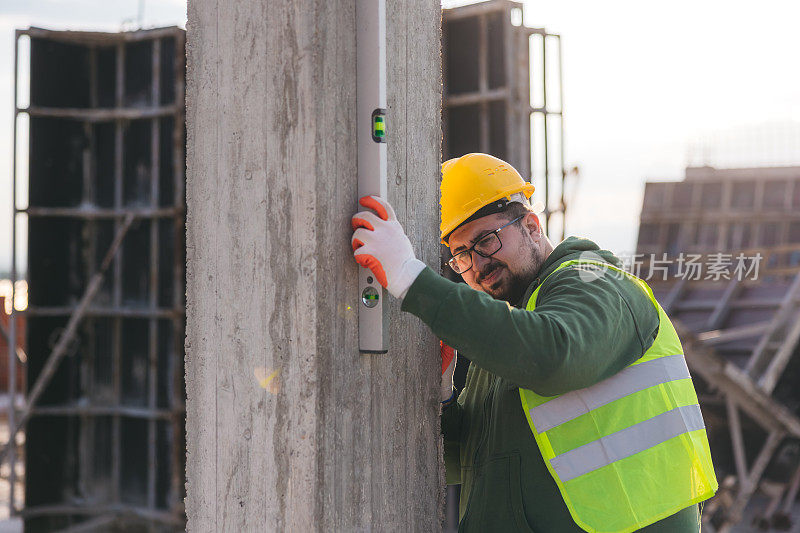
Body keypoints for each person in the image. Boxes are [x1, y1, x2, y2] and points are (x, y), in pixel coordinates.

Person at [350, 153, 717, 532]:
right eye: (460, 254)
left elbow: (555, 356)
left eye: (486, 241)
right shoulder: (508, 338)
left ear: (531, 225)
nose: (477, 265)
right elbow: (462, 459)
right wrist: (444, 392)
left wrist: (411, 278)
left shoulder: (597, 282)